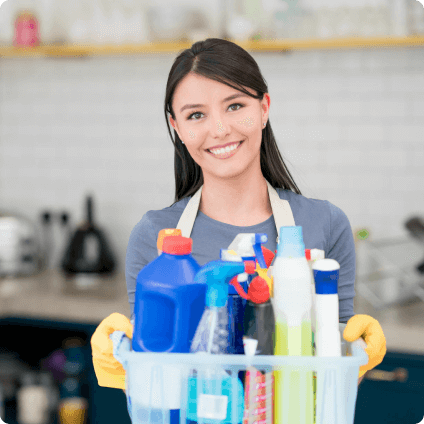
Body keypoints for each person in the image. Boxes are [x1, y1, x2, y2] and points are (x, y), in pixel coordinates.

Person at [91, 38, 386, 393]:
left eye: (234, 106)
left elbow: (334, 358)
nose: (219, 129)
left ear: (264, 108)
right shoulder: (155, 235)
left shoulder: (325, 223)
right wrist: (126, 362)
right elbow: (155, 368)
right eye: (196, 115)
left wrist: (356, 353)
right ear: (178, 128)